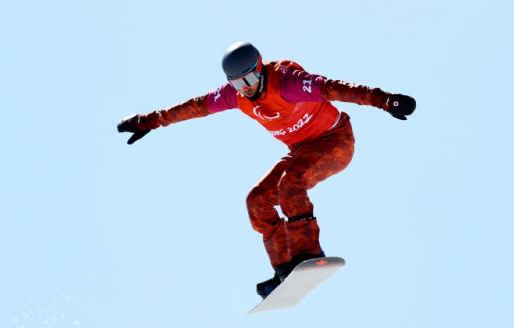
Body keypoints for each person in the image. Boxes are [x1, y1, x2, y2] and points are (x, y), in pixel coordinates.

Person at [118, 42, 415, 299]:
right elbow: (194, 107)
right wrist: (149, 121)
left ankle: (308, 254)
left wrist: (385, 101)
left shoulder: (288, 82)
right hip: (300, 151)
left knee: (291, 184)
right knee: (257, 200)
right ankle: (285, 269)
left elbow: (337, 89)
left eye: (248, 78)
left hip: (334, 141)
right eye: (236, 83)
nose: (244, 88)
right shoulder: (234, 95)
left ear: (259, 68)